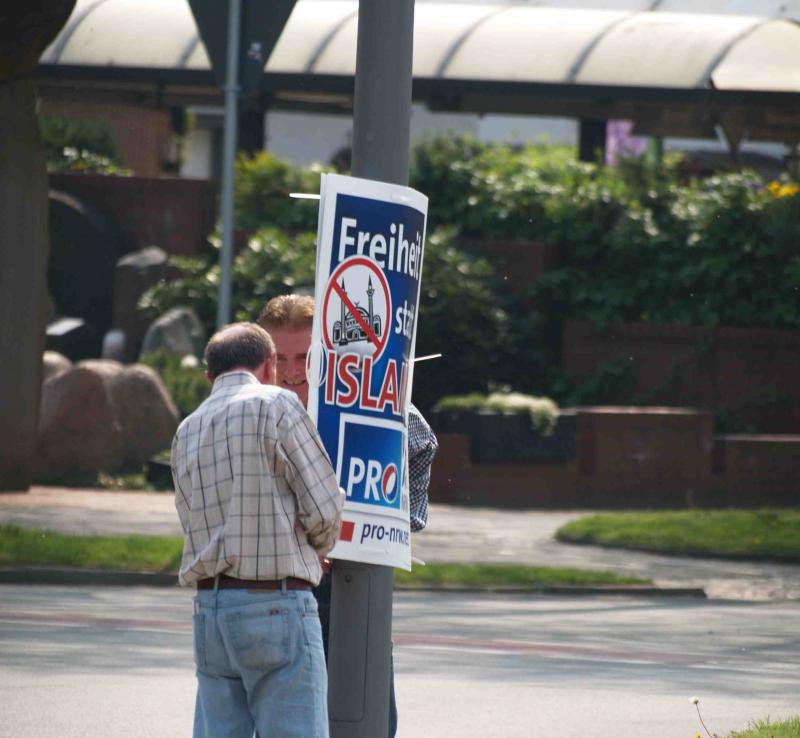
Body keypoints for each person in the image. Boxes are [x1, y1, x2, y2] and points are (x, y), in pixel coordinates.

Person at [257, 294, 438, 738]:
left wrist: (395, 523)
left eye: (304, 357)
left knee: (367, 718)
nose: (293, 371)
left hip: (352, 588)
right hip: (273, 594)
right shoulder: (251, 413)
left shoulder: (355, 400)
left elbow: (419, 440)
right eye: (280, 359)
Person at [171, 322, 344, 738]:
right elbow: (325, 508)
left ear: (209, 376)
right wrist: (313, 547)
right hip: (277, 601)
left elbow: (188, 515)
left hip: (210, 610)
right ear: (268, 365)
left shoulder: (187, 429)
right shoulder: (277, 404)